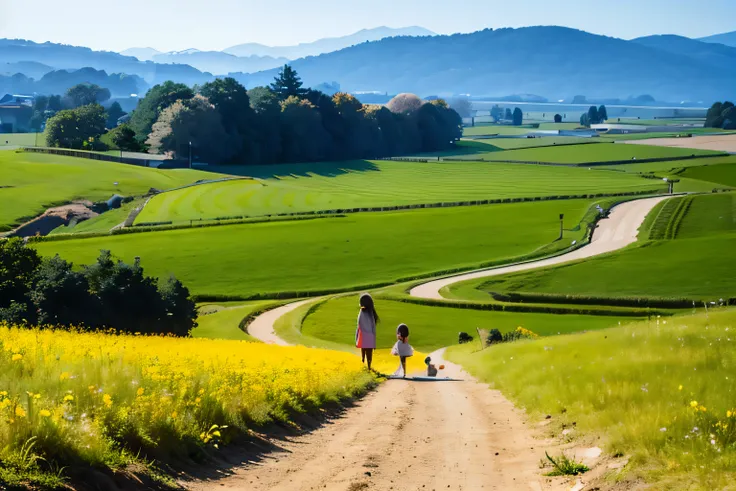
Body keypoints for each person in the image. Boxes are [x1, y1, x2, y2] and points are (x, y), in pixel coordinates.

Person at [356, 293, 378, 370]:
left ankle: (364, 364)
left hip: (362, 335)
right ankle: (368, 367)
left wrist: (356, 338)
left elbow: (358, 325)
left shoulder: (361, 312)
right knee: (369, 353)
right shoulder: (370, 313)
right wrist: (374, 342)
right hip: (369, 336)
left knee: (363, 351)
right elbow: (373, 327)